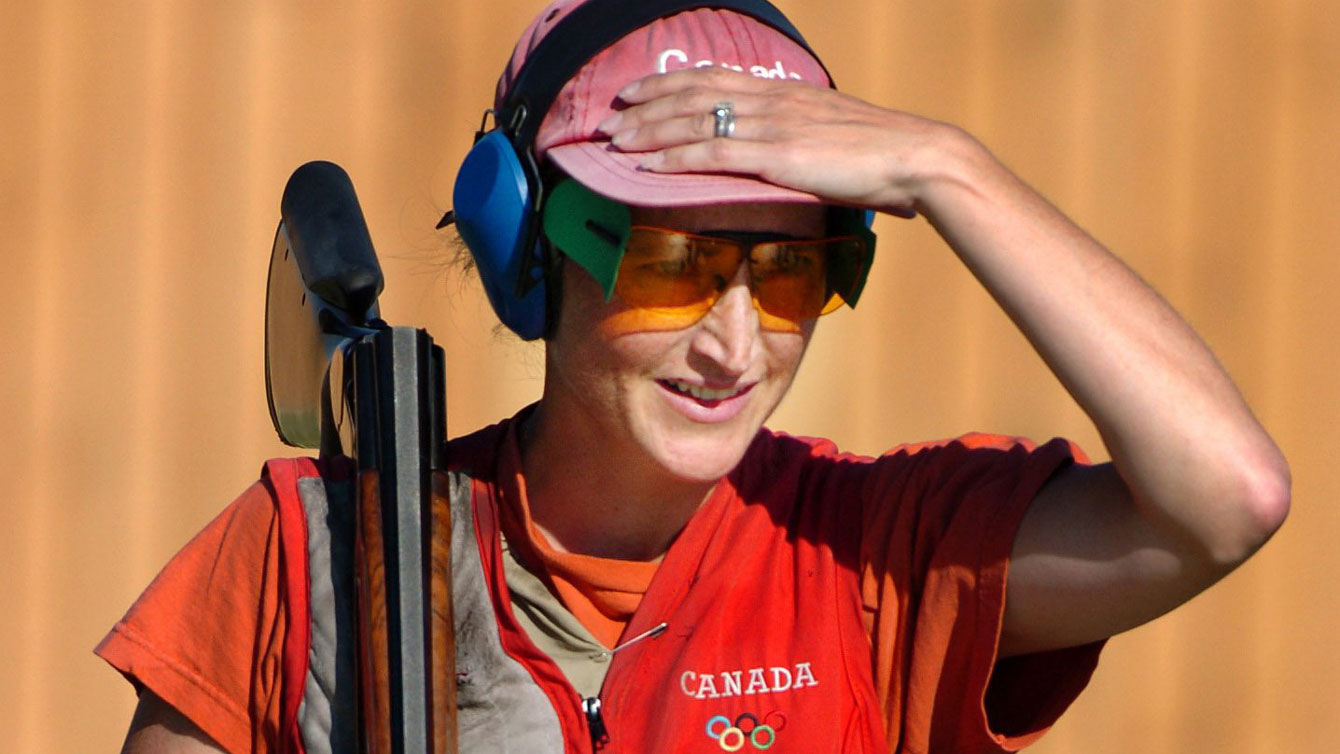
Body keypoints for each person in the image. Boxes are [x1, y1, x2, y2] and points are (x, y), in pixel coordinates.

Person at [102, 0, 1291, 752]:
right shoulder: (309, 558)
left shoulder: (875, 555)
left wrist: (950, 169)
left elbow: (1223, 495)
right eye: (671, 262)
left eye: (788, 275)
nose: (735, 343)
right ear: (529, 251)